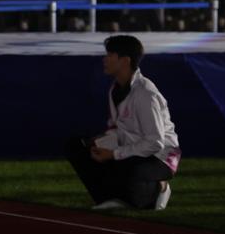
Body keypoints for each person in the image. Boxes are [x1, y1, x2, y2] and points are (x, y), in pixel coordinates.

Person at [65, 35, 181, 212]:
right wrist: (97, 142)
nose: (105, 59)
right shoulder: (115, 89)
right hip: (131, 148)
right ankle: (111, 198)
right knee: (77, 147)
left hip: (160, 157)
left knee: (127, 170)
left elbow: (155, 142)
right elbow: (118, 129)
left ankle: (160, 188)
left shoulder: (145, 93)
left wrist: (114, 154)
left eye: (110, 55)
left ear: (125, 60)